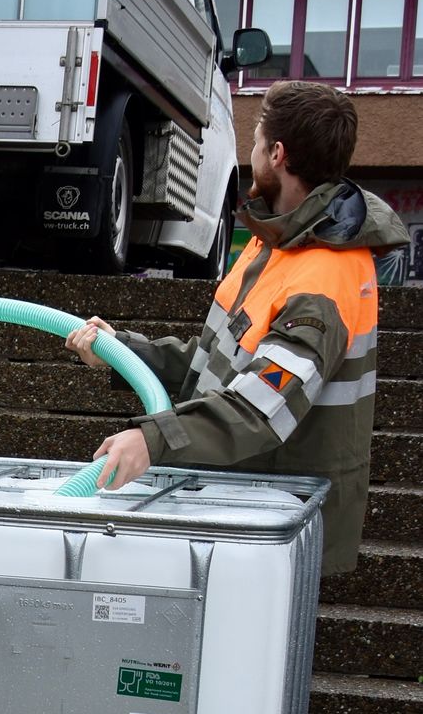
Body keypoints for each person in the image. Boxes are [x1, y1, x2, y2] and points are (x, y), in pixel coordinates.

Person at [67, 81, 408, 575]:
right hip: (240, 503)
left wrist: (152, 440)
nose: (249, 154)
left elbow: (261, 408)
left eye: (254, 141)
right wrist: (123, 350)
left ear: (277, 154)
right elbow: (210, 366)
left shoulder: (324, 277)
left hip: (277, 526)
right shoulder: (274, 243)